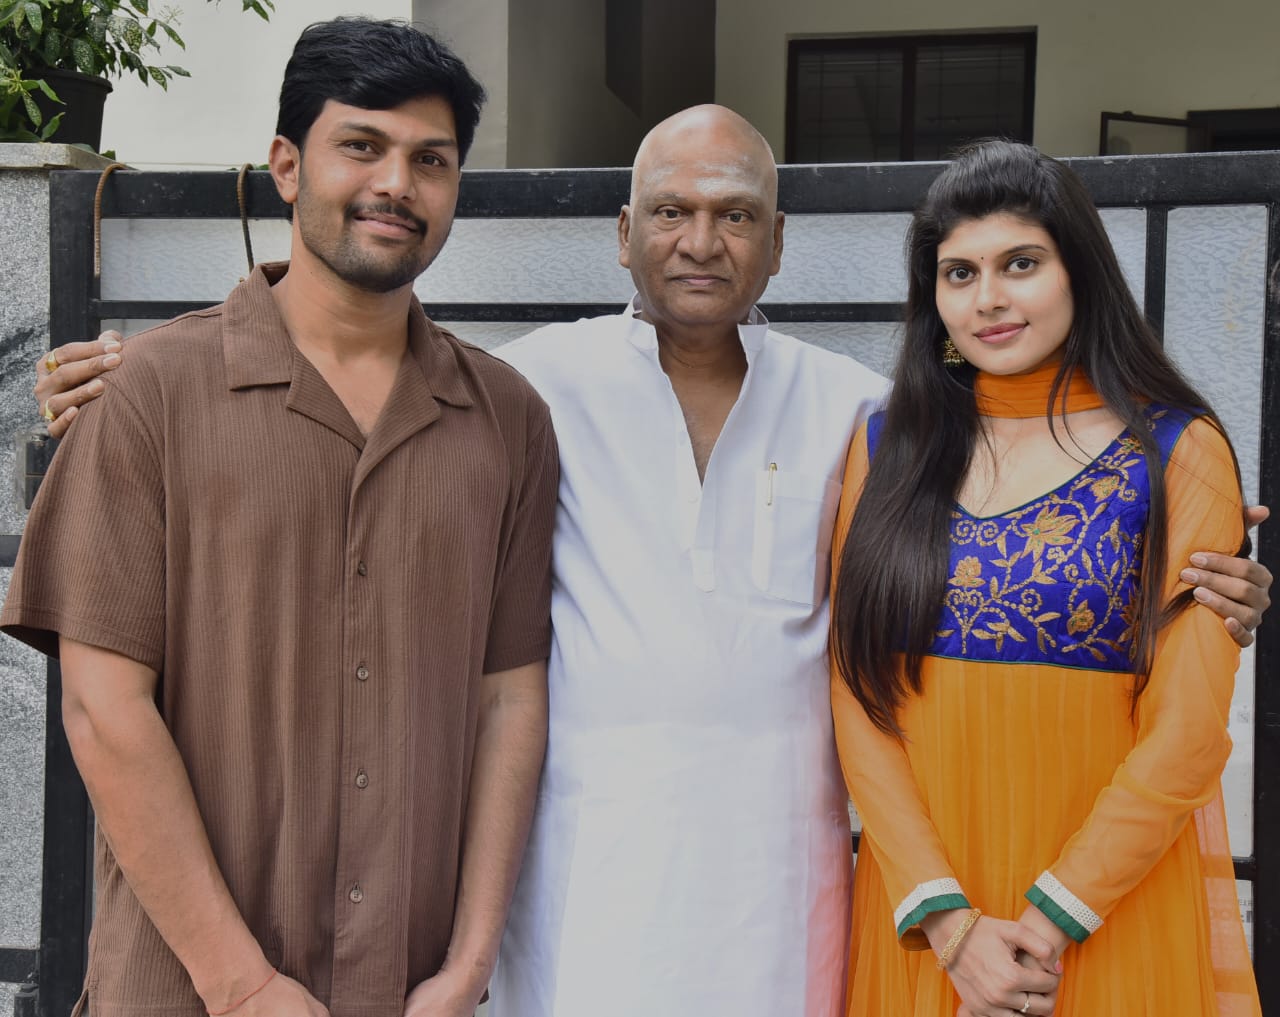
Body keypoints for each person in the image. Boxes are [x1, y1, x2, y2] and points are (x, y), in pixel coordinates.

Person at [30, 109, 1273, 1014]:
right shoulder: (525, 387)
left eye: (735, 215)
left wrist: (1210, 565)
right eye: (670, 212)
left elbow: (1006, 540)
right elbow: (348, 369)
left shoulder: (858, 415)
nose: (700, 240)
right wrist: (141, 373)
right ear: (622, 235)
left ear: (778, 245)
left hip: (780, 874)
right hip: (580, 875)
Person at [3, 18, 557, 1017]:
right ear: (288, 166)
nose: (397, 183)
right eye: (362, 146)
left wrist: (471, 965)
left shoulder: (506, 418)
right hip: (180, 990)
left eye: (430, 160)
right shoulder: (150, 394)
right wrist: (244, 984)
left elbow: (508, 702)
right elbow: (103, 708)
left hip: (408, 990)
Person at [830, 140, 1262, 1017]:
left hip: (1106, 908)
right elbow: (856, 685)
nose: (987, 298)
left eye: (1020, 263)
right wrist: (950, 925)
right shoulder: (888, 448)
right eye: (959, 273)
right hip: (929, 910)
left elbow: (1187, 729)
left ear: (1079, 272)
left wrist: (1049, 922)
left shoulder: (1178, 452)